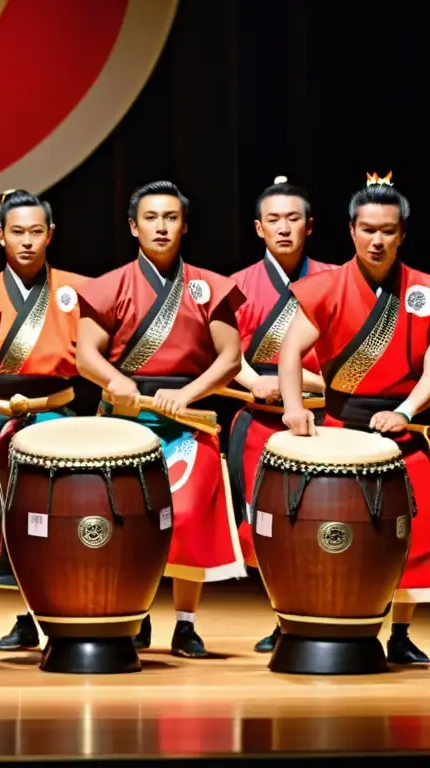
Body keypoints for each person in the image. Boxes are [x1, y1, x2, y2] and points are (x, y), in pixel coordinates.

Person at [75, 180, 246, 658]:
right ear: (133, 227)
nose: (161, 226)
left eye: (171, 217)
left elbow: (229, 358)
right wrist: (116, 381)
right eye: (150, 218)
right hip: (124, 419)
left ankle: (186, 623)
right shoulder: (110, 286)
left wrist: (186, 395)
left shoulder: (209, 286)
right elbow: (86, 356)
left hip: (187, 419)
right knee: (130, 519)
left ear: (185, 225)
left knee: (186, 516)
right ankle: (139, 611)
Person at [279, 172, 430, 665]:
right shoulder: (324, 287)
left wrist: (405, 412)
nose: (378, 239)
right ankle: (305, 617)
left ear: (403, 233)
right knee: (320, 527)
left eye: (388, 230)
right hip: (339, 428)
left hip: (402, 427)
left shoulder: (423, 290)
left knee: (415, 529)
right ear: (351, 231)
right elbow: (289, 350)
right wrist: (294, 406)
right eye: (368, 229)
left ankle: (401, 634)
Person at [0, 189, 87, 652]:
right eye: (17, 232)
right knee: (13, 522)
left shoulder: (80, 290)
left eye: (36, 232)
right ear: (0, 236)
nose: (27, 241)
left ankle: (71, 608)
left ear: (51, 234)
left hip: (59, 414)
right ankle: (28, 614)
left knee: (63, 519)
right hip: (1, 419)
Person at [226, 177, 337, 653]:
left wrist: (304, 384)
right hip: (259, 422)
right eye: (274, 220)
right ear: (258, 228)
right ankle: (283, 613)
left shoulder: (335, 279)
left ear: (310, 226)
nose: (284, 228)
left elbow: (348, 356)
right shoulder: (239, 286)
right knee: (269, 526)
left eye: (294, 219)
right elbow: (228, 355)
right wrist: (255, 382)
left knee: (324, 520)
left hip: (322, 421)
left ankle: (333, 609)